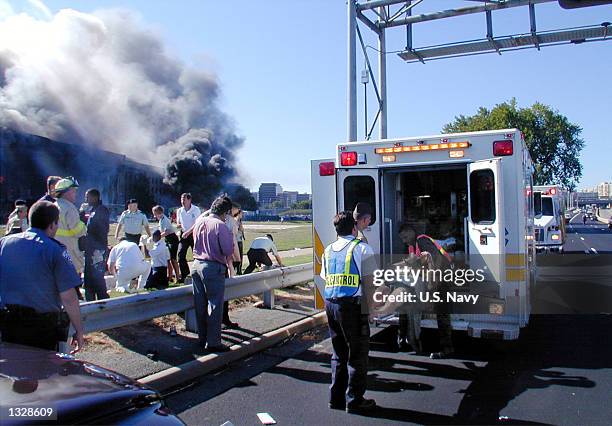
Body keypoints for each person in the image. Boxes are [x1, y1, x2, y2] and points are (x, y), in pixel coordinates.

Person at [0, 201, 84, 353]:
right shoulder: (56, 250)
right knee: (41, 372)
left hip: (7, 324)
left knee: (14, 371)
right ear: (52, 225)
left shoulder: (4, 243)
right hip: (40, 328)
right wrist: (79, 330)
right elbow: (69, 297)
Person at [320, 211, 377, 413]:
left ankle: (335, 399)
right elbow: (369, 283)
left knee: (338, 353)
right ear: (354, 227)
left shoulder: (327, 250)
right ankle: (355, 400)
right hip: (353, 306)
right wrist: (370, 310)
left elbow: (326, 278)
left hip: (331, 305)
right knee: (358, 354)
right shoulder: (362, 249)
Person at [398, 223, 454, 359]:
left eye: (405, 237)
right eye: (402, 239)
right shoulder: (413, 246)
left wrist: (432, 282)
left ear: (411, 231)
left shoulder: (421, 240)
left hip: (442, 279)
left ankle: (447, 349)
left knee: (442, 313)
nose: (404, 241)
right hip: (438, 278)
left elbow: (435, 259)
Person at [191, 195, 235, 352]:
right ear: (226, 212)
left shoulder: (199, 222)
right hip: (213, 266)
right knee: (215, 305)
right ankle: (214, 342)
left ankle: (202, 338)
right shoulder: (220, 225)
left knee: (200, 305)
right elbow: (227, 250)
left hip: (196, 265)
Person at [53, 177, 87, 275]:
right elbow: (77, 231)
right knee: (71, 281)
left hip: (56, 250)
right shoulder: (69, 208)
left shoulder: (54, 206)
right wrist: (83, 223)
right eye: (73, 191)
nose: (75, 194)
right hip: (69, 251)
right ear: (67, 192)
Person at [83, 189, 110, 301]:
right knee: (89, 278)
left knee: (97, 278)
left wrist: (97, 247)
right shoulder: (93, 210)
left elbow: (102, 230)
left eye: (87, 197)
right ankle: (90, 300)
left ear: (94, 197)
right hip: (91, 249)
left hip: (98, 250)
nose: (86, 200)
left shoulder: (101, 210)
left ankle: (103, 301)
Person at [176, 193, 201, 283]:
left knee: (197, 255)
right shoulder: (179, 210)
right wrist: (180, 226)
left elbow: (197, 223)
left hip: (194, 234)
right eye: (181, 199)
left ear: (189, 200)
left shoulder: (196, 209)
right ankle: (185, 275)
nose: (182, 201)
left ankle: (198, 274)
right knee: (180, 254)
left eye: (184, 199)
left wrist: (188, 232)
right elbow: (178, 222)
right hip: (184, 235)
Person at [151, 205, 181, 282]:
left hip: (172, 239)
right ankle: (169, 276)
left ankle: (178, 277)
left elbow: (167, 231)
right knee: (167, 258)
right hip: (167, 240)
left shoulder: (165, 220)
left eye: (155, 213)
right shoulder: (161, 220)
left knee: (173, 259)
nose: (154, 215)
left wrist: (157, 237)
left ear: (158, 212)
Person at [234, 208, 245, 275]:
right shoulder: (237, 220)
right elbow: (241, 229)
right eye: (241, 213)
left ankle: (238, 269)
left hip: (239, 240)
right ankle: (238, 270)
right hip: (237, 241)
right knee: (239, 257)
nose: (242, 215)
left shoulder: (238, 220)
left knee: (239, 257)